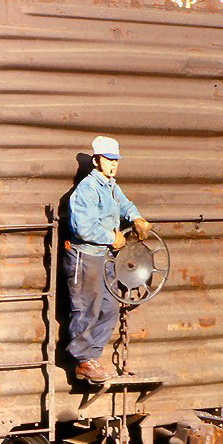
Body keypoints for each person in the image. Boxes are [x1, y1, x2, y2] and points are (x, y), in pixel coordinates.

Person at [64, 136, 152, 383]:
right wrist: (111, 238)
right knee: (86, 308)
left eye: (116, 160)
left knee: (110, 307)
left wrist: (136, 218)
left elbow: (124, 204)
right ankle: (82, 360)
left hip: (104, 258)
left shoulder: (111, 186)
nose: (113, 164)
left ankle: (92, 357)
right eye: (108, 159)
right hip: (85, 257)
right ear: (96, 161)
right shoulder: (87, 190)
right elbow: (83, 228)